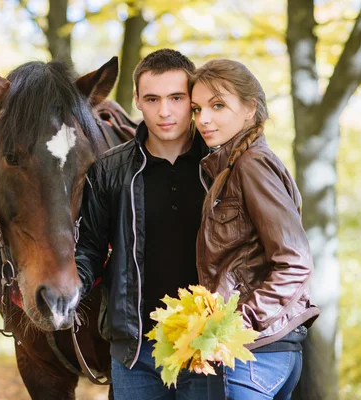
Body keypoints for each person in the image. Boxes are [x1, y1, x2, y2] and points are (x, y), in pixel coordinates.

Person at [76, 49, 219, 399]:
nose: (164, 111)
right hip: (136, 350)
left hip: (207, 344)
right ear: (137, 100)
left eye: (176, 98)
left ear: (193, 101)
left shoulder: (221, 165)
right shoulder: (109, 170)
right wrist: (67, 291)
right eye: (153, 99)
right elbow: (89, 248)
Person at [190, 59, 320, 399]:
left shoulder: (252, 164)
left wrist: (238, 323)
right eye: (197, 108)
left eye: (218, 105)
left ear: (250, 108)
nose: (203, 118)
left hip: (256, 352)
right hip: (266, 349)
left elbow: (295, 261)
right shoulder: (233, 166)